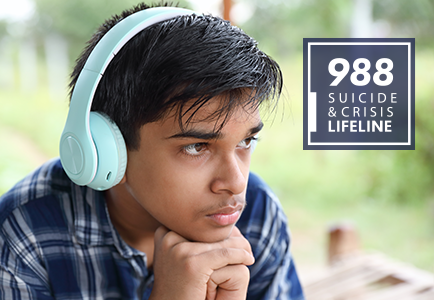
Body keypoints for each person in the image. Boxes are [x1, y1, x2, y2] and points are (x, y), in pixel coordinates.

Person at [0, 2, 304, 299]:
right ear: (105, 152)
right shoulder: (24, 234)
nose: (236, 183)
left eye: (245, 142)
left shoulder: (258, 212)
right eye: (197, 147)